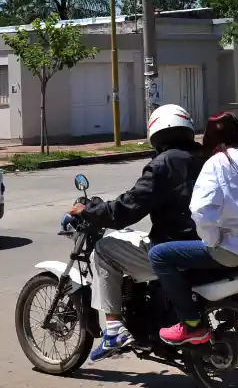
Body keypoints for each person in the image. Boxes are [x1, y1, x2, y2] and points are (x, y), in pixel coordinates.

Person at [65, 104, 205, 362]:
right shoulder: (205, 156)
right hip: (206, 243)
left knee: (105, 249)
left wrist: (89, 211)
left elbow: (127, 209)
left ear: (156, 134)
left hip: (173, 246)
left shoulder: (162, 164)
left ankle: (115, 330)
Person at [148, 112, 238, 346]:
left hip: (234, 251)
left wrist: (212, 241)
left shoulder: (216, 164)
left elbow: (200, 209)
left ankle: (192, 324)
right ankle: (231, 308)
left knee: (158, 255)